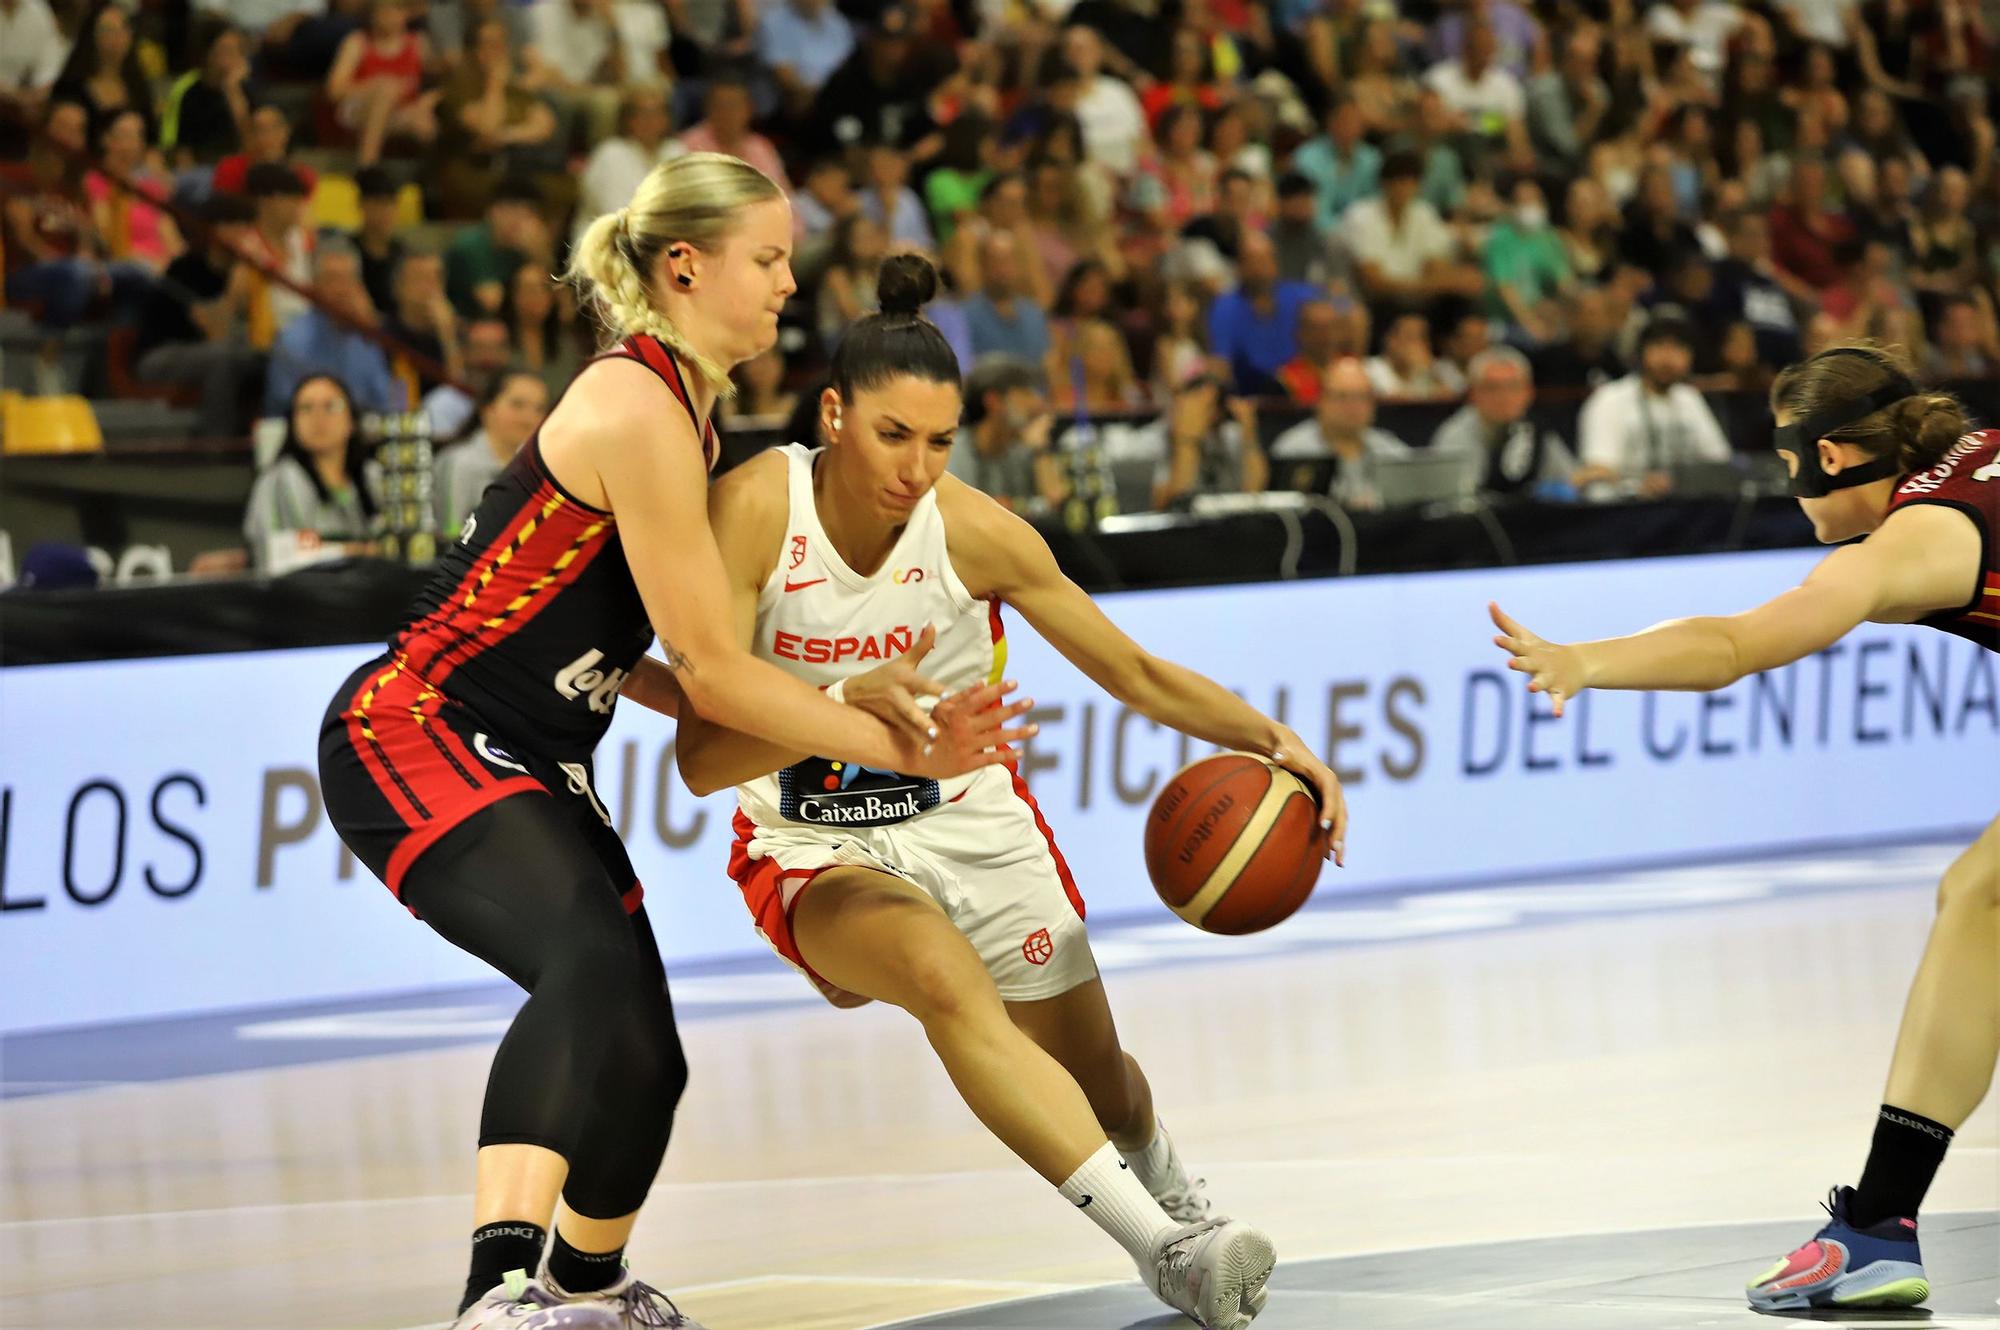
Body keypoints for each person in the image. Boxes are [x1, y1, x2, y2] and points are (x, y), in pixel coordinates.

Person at [317, 152, 1028, 1330]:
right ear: (684, 265)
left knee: (646, 1053)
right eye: (770, 259)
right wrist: (894, 739)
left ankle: (587, 1286)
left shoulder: (689, 415)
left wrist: (834, 695)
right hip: (424, 722)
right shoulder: (637, 402)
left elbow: (648, 660)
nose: (790, 285)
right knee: (585, 963)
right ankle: (494, 1292)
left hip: (535, 750)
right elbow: (713, 669)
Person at [679, 252, 1346, 1330]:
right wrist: (849, 696)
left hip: (971, 824)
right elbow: (701, 759)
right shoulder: (757, 509)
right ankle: (1164, 1251)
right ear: (834, 413)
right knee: (944, 981)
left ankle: (1181, 1200)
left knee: (1102, 1083)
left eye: (939, 441)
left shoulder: (977, 532)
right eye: (893, 435)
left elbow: (1133, 673)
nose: (915, 465)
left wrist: (1275, 740)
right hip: (813, 843)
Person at [1491, 343, 1998, 1314]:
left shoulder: (1908, 541)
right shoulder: (1975, 461)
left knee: (1979, 894)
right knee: (1979, 891)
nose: (1786, 488)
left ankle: (1877, 1225)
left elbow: (1732, 645)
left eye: (1785, 465)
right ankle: (1876, 1221)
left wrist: (1583, 661)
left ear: (1834, 458)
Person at [1575, 311, 1732, 496]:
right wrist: (1636, 485)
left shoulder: (1689, 398)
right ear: (1641, 352)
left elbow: (1719, 462)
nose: (1668, 358)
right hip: (1623, 511)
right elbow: (1595, 471)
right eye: (1659, 346)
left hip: (1684, 509)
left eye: (1678, 349)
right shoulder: (1610, 399)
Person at [1427, 347, 1604, 499]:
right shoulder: (1455, 434)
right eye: (1492, 387)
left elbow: (1570, 479)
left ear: (1529, 393)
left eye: (1513, 387)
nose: (1503, 397)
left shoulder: (1536, 428)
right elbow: (1459, 499)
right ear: (1473, 394)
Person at [244, 374, 380, 572]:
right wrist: (346, 552)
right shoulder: (277, 482)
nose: (318, 418)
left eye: (330, 406)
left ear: (352, 420)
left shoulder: (374, 477)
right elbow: (270, 555)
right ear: (292, 422)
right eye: (306, 408)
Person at [1268, 356, 1411, 509]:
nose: (1352, 406)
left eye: (1361, 397)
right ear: (1321, 401)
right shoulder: (1293, 450)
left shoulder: (1390, 449)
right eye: (1342, 397)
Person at [433, 369, 548, 535]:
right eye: (518, 405)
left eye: (539, 409)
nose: (529, 418)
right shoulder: (459, 463)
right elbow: (450, 535)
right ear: (488, 409)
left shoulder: (538, 468)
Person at [952, 353, 1063, 513]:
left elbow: (1055, 500)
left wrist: (1040, 449)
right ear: (993, 401)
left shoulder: (1022, 450)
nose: (1036, 403)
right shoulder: (955, 451)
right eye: (1026, 394)